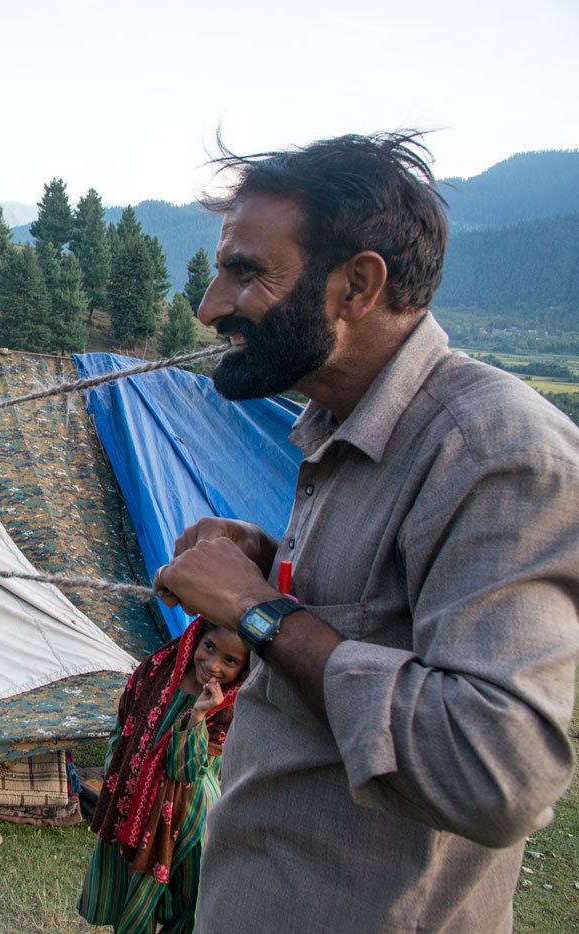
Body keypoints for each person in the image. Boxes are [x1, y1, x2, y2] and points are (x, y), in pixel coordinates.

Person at [152, 132, 579, 931]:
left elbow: (497, 773)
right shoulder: (340, 426)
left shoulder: (498, 455)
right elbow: (393, 618)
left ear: (358, 285)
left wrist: (258, 611)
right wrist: (275, 566)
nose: (210, 307)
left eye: (246, 273)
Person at [78, 619, 248, 932]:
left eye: (230, 660)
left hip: (187, 821)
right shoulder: (157, 670)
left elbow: (184, 770)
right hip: (132, 808)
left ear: (244, 668)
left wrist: (198, 714)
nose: (212, 665)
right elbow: (123, 724)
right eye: (209, 647)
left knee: (184, 910)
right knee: (131, 907)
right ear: (196, 637)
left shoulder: (229, 709)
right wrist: (118, 777)